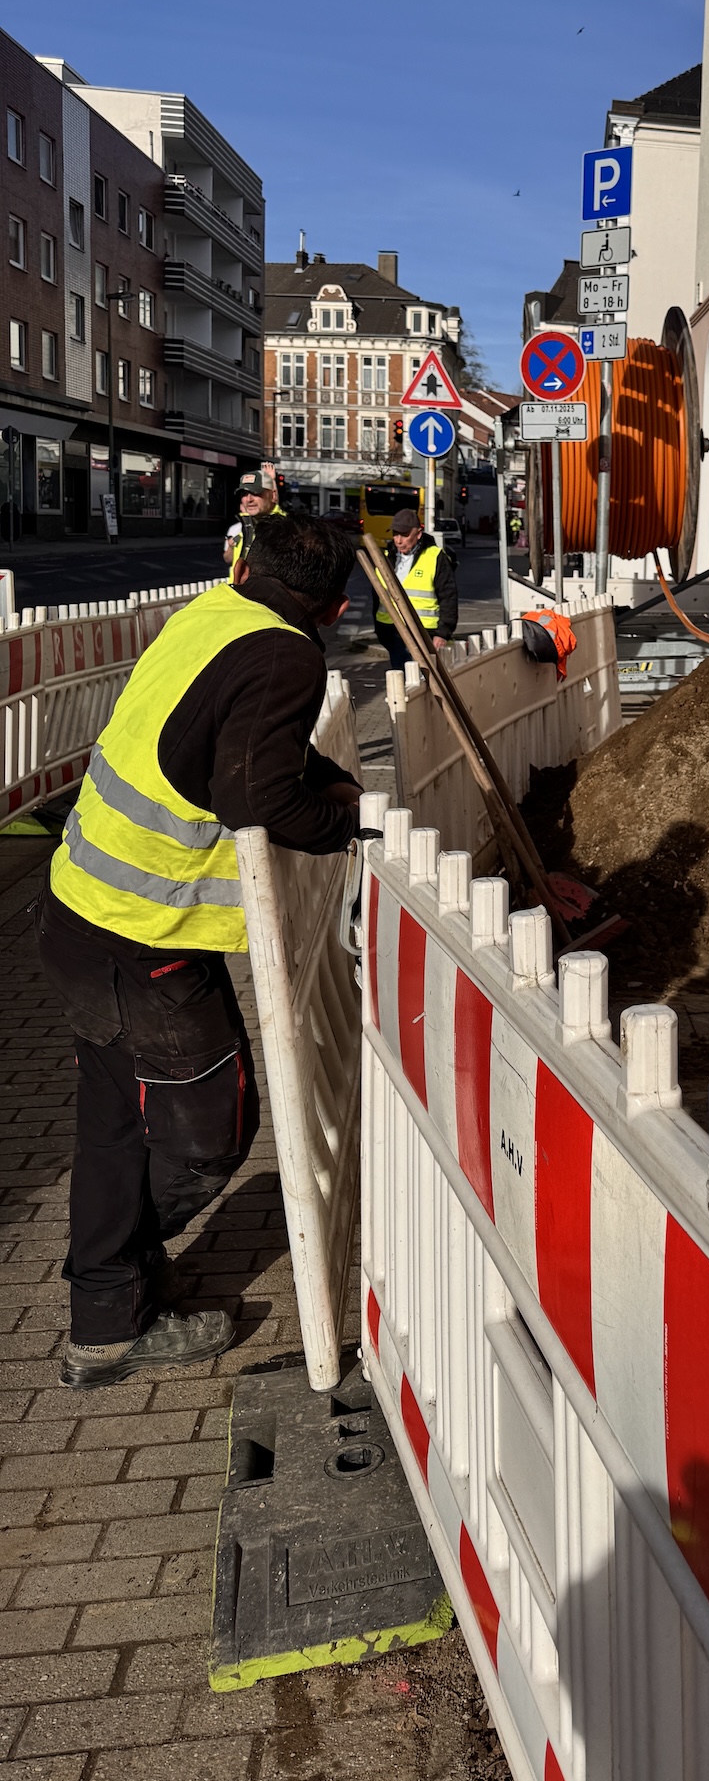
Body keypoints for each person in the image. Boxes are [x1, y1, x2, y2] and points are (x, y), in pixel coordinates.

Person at [37, 514, 363, 1387]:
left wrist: (320, 779)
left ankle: (108, 1313)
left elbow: (228, 740)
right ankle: (117, 1288)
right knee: (207, 1133)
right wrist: (347, 824)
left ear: (246, 566)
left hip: (83, 910)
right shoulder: (289, 656)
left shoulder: (212, 613)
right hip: (144, 936)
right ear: (334, 607)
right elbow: (257, 797)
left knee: (115, 1127)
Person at [375, 507, 457, 669]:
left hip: (424, 632)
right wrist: (380, 630)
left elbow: (448, 597)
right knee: (401, 676)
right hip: (393, 630)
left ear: (418, 534)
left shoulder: (435, 557)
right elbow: (376, 596)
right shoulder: (386, 557)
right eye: (395, 534)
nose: (398, 540)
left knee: (422, 677)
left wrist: (443, 632)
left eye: (404, 535)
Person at [223, 472, 284, 582]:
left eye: (256, 493)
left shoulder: (286, 529)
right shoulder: (245, 528)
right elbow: (229, 560)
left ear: (273, 495)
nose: (249, 499)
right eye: (244, 494)